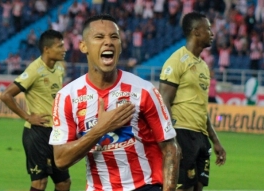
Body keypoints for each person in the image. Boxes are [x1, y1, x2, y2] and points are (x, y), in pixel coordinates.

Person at [49, 14, 181, 191]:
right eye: (99, 37)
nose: (108, 42)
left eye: (114, 37)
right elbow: (60, 160)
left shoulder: (144, 90)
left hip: (144, 186)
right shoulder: (67, 97)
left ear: (120, 45)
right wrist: (100, 129)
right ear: (83, 46)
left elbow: (171, 148)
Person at [159, 12, 226, 191]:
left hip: (200, 135)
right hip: (182, 132)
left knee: (198, 186)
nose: (212, 33)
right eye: (208, 29)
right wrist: (171, 137)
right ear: (196, 32)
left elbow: (201, 108)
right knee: (184, 186)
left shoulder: (203, 66)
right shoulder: (176, 61)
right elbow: (163, 99)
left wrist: (215, 141)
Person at [0, 30, 71, 191]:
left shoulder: (59, 68)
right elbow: (5, 95)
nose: (64, 49)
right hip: (37, 133)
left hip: (55, 133)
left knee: (64, 183)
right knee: (40, 183)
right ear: (47, 49)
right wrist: (28, 116)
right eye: (59, 46)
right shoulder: (34, 70)